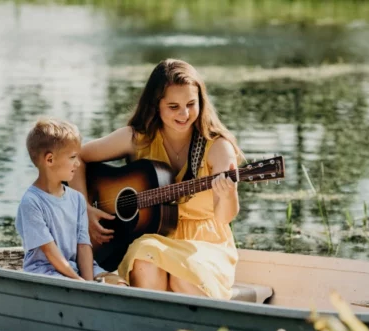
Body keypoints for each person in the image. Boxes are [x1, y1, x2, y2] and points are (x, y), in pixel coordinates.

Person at [70, 59, 245, 299]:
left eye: (191, 104)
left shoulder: (217, 147)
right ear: (156, 105)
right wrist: (84, 209)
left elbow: (225, 217)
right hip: (151, 239)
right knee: (145, 257)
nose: (184, 114)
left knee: (184, 276)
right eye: (173, 106)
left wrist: (227, 193)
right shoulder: (138, 138)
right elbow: (76, 157)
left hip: (204, 245)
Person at [15, 118, 106, 281]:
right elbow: (50, 253)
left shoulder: (77, 199)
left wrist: (89, 283)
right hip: (46, 271)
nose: (78, 164)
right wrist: (79, 283)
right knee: (68, 286)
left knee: (119, 283)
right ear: (49, 160)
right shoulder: (31, 202)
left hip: (76, 268)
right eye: (72, 157)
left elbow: (83, 246)